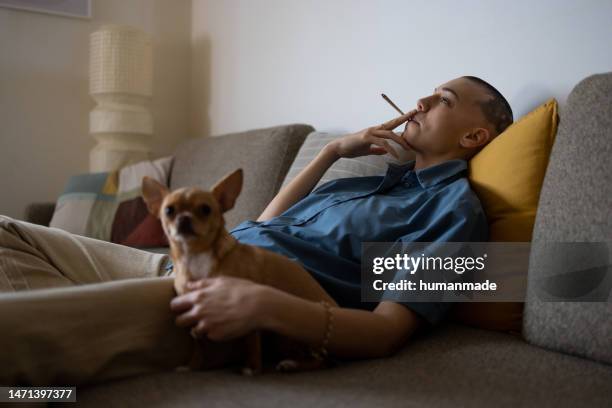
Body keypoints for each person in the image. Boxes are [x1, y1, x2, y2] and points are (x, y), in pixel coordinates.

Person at [0, 76, 513, 385]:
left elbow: (386, 332)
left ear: (474, 134)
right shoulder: (372, 181)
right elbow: (266, 226)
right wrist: (333, 152)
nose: (420, 100)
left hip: (223, 297)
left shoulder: (454, 214)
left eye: (442, 98)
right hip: (182, 259)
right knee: (9, 232)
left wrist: (263, 306)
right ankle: (68, 350)